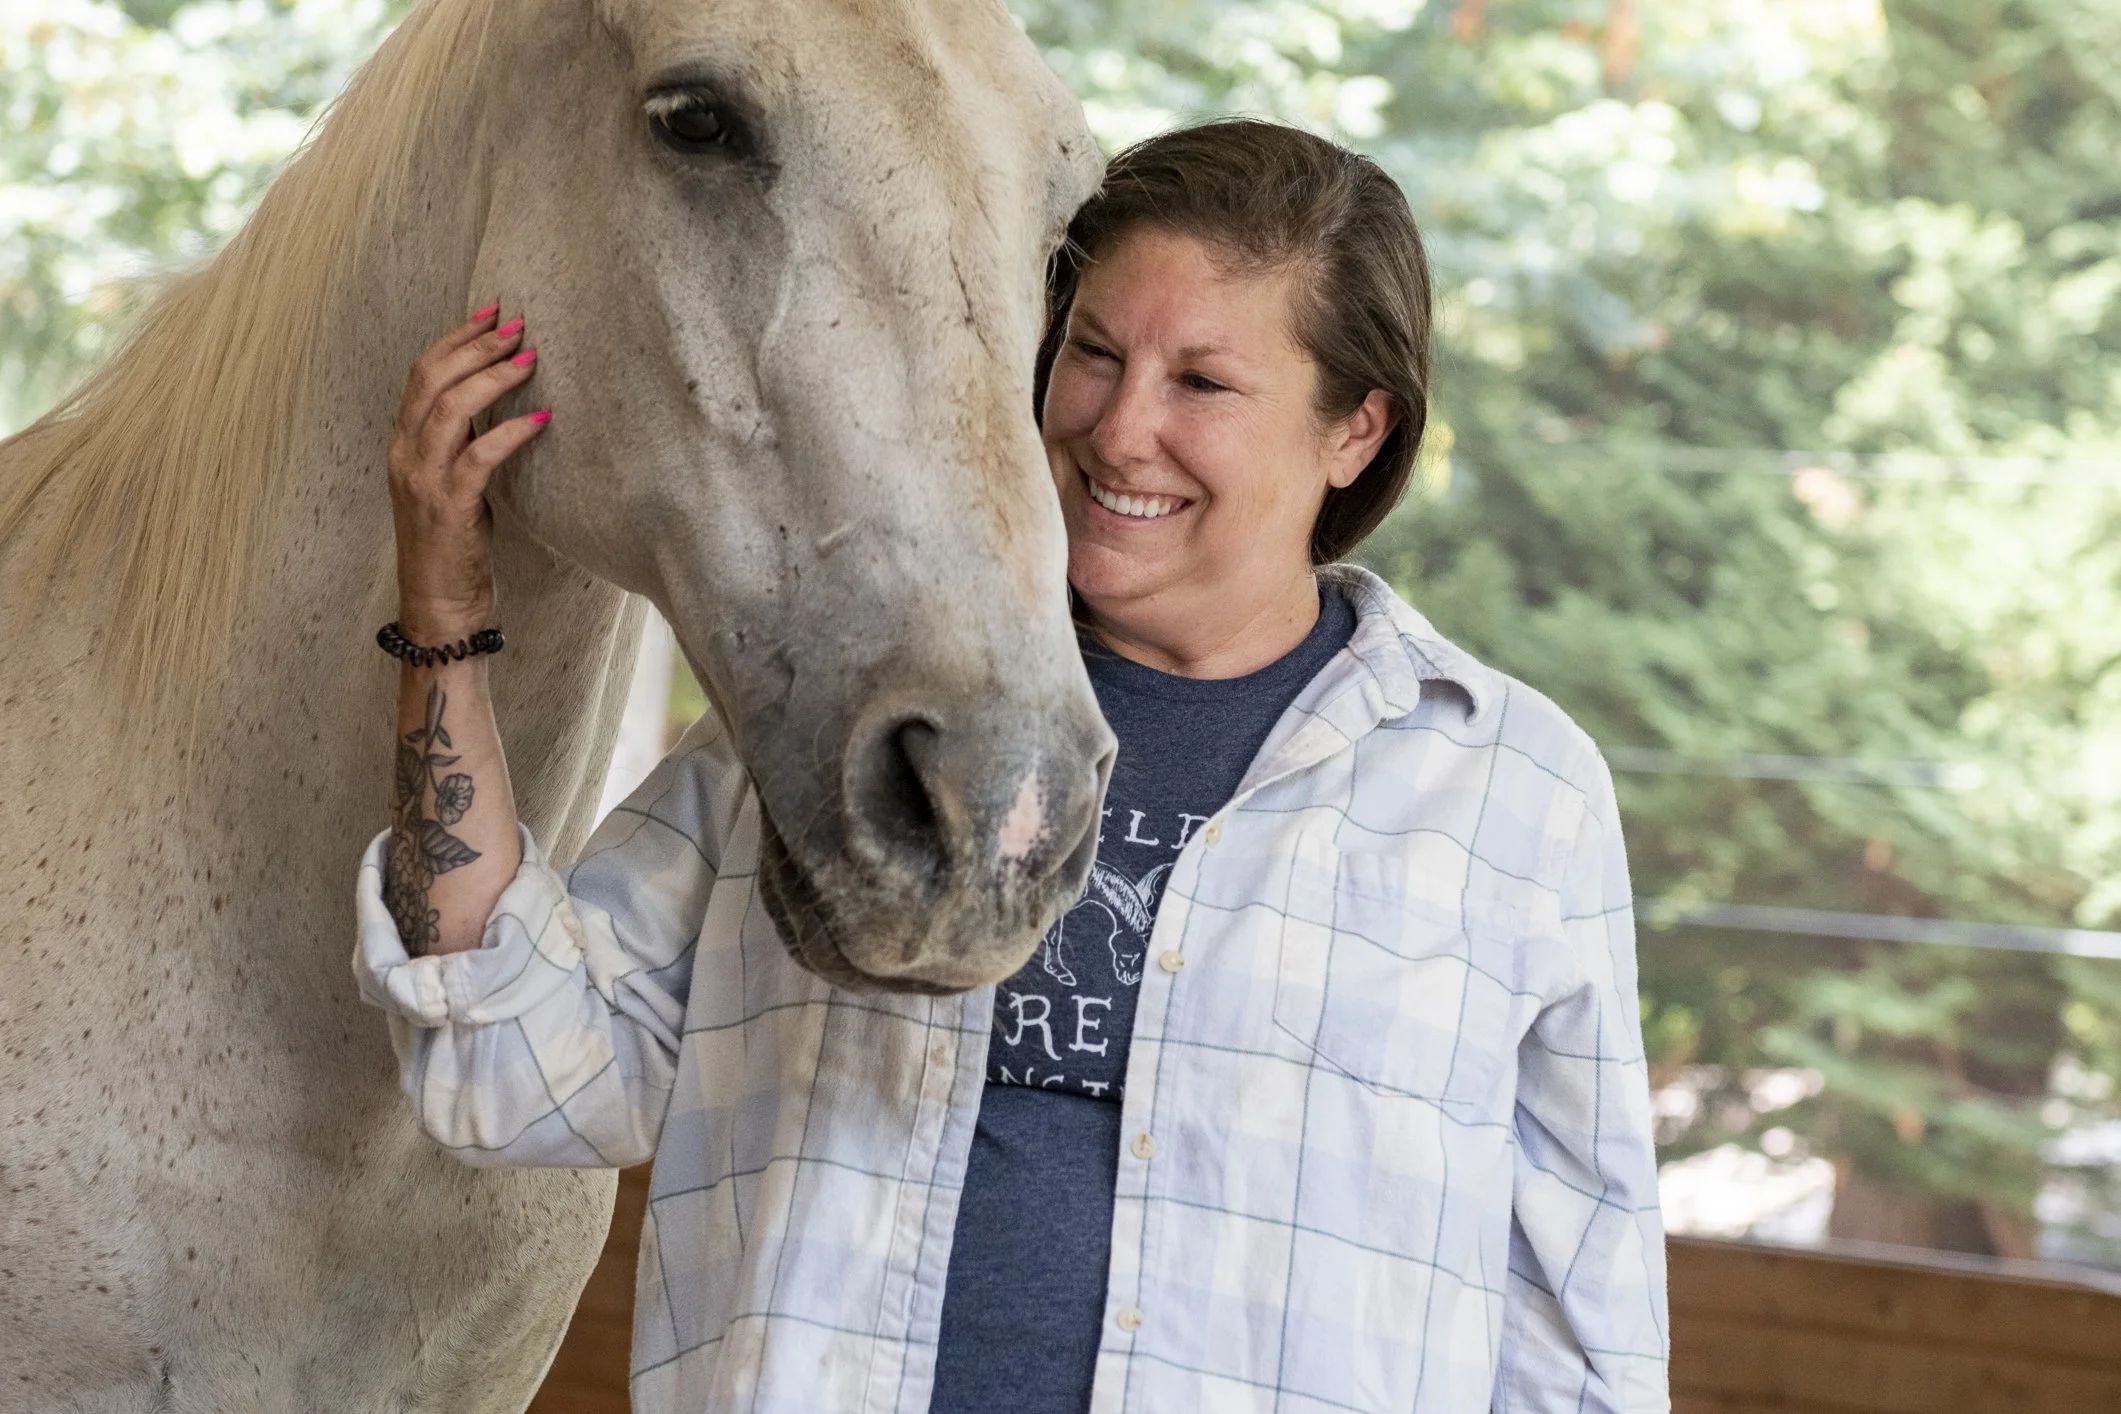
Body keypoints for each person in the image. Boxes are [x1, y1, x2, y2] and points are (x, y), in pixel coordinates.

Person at [357, 119, 1669, 1413]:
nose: (1118, 427)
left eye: (1202, 384)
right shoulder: (852, 707)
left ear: (1355, 432)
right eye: (1093, 354)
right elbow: (521, 1065)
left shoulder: (1513, 793)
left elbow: (1582, 1337)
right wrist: (447, 619)